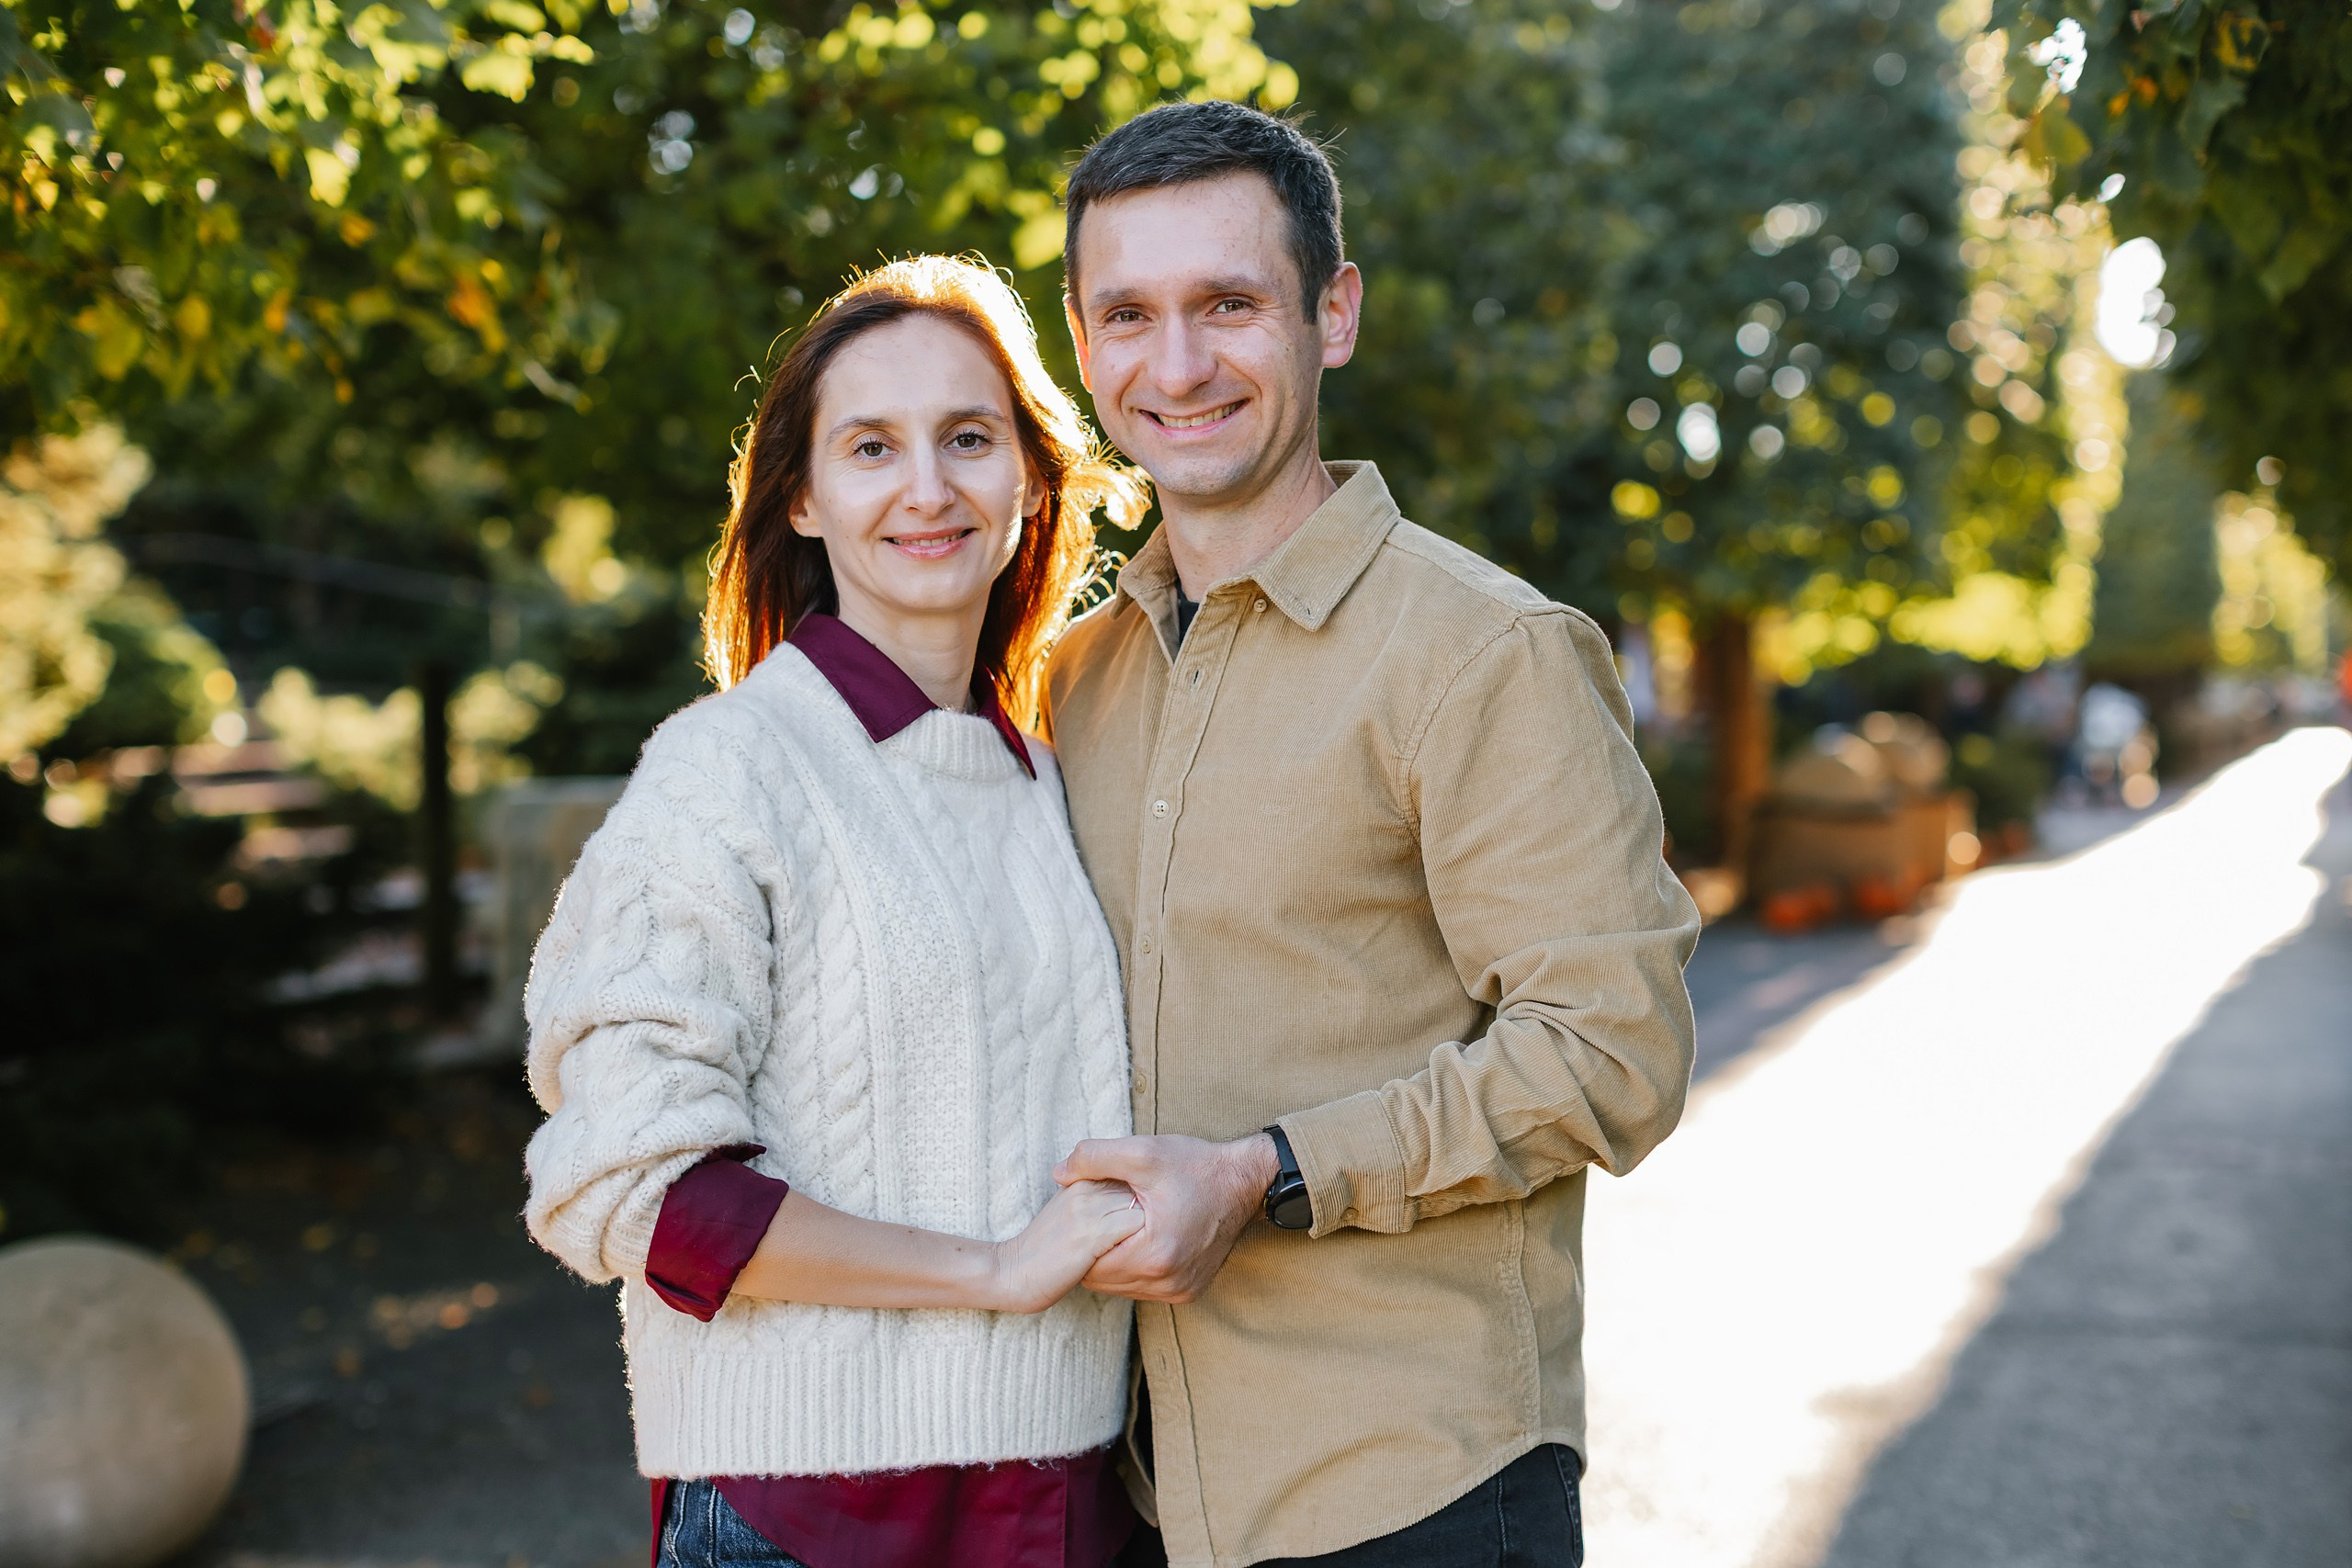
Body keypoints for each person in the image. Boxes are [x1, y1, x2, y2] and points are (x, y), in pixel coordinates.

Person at [1041, 102, 1702, 1566]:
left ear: (1331, 314)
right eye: (1129, 315)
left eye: (1229, 305)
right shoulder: (1065, 684)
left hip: (1414, 1494)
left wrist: (1266, 1171)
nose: (1179, 365)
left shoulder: (1488, 655)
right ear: (1082, 346)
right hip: (1133, 1495)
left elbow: (1613, 1054)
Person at [521, 254, 1156, 1568]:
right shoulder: (730, 770)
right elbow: (637, 1194)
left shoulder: (1047, 774)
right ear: (803, 497)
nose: (928, 488)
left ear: (1029, 478)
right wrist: (992, 1271)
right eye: (873, 447)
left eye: (968, 438)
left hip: (1069, 1502)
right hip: (815, 1518)